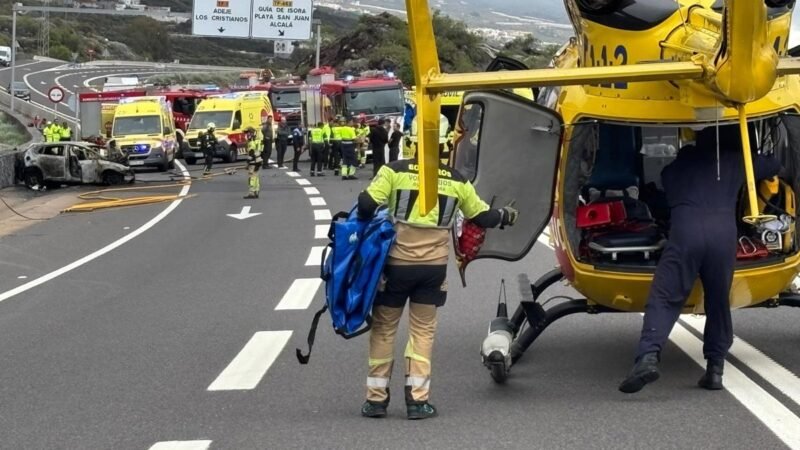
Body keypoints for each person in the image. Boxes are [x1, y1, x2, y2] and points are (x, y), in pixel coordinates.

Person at [619, 125, 782, 394]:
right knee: (718, 300)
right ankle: (715, 369)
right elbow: (774, 163)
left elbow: (665, 186)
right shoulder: (737, 160)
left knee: (665, 296)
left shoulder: (678, 167)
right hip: (724, 235)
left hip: (686, 232)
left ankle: (647, 357)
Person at [356, 156, 519, 419]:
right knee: (422, 332)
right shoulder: (456, 179)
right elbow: (482, 216)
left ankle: (375, 400)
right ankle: (418, 403)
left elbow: (366, 205)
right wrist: (506, 215)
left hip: (394, 268)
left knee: (384, 329)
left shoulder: (395, 170)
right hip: (433, 270)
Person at [244, 127, 262, 199]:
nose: (246, 135)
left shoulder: (251, 142)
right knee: (256, 177)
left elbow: (251, 154)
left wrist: (247, 163)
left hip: (253, 162)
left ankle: (251, 192)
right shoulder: (258, 141)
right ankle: (256, 191)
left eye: (248, 133)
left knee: (251, 177)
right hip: (258, 161)